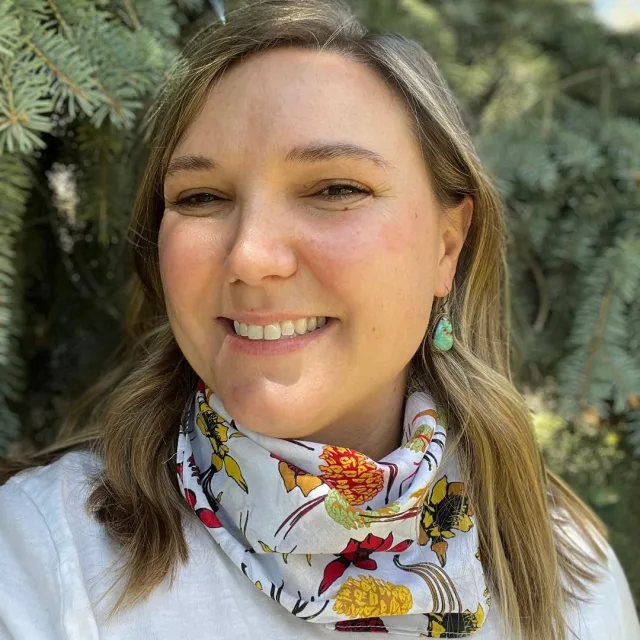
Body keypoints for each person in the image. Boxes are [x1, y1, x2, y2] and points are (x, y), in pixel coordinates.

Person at [1, 0, 638, 638]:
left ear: (447, 245)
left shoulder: (566, 569)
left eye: (335, 188)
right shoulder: (43, 556)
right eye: (201, 197)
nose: (250, 256)